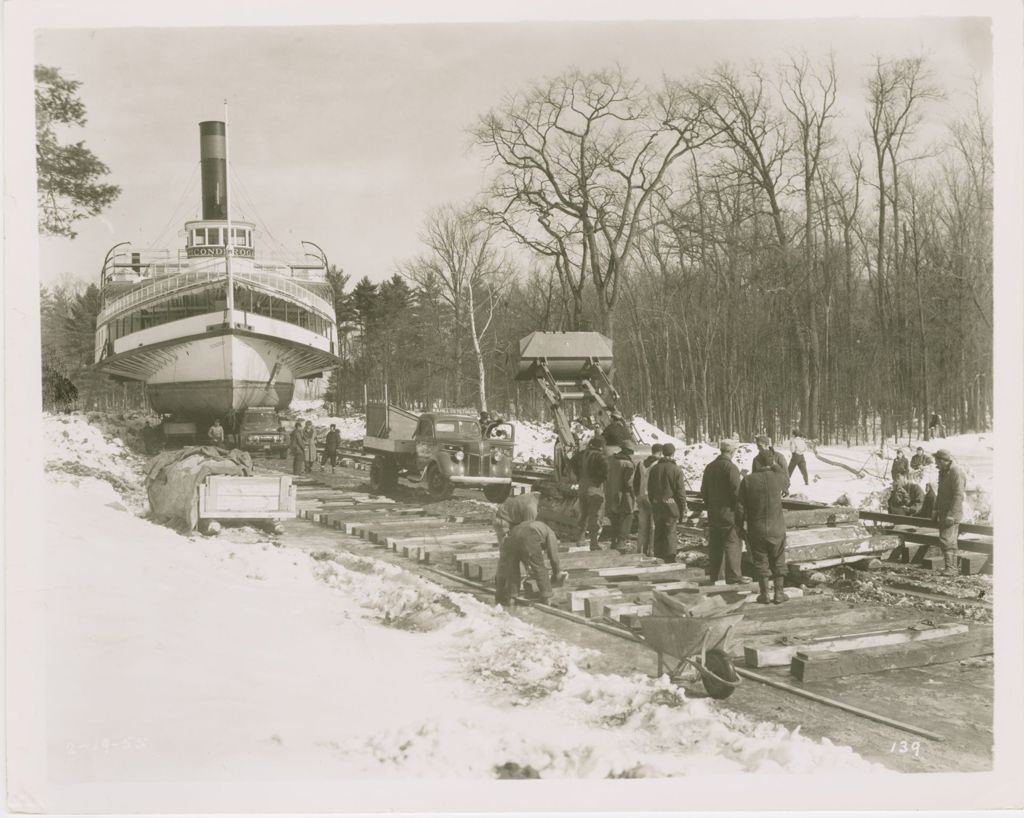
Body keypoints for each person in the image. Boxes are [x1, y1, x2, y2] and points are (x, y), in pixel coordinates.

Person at [738, 461, 788, 604]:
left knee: (761, 561)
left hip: (757, 529)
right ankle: (779, 594)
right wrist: (775, 465)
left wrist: (740, 525)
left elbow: (740, 507)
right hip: (777, 528)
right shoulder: (778, 477)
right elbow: (786, 478)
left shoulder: (747, 480)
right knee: (778, 560)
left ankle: (764, 594)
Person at [700, 439, 743, 584]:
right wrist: (739, 512)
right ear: (732, 451)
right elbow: (737, 493)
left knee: (716, 544)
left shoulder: (710, 467)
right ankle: (734, 576)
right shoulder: (731, 468)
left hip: (714, 512)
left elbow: (704, 491)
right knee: (732, 543)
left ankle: (716, 577)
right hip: (728, 513)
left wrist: (711, 505)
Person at [494, 518, 562, 607]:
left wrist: (528, 565)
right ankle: (547, 597)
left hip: (511, 538)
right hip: (528, 537)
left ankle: (511, 597)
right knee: (539, 568)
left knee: (513, 570)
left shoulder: (534, 524)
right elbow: (553, 555)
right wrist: (557, 571)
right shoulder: (550, 532)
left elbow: (523, 552)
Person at [647, 442, 687, 564]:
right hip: (671, 505)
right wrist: (682, 509)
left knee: (659, 530)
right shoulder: (676, 470)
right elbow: (680, 493)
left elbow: (650, 489)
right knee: (670, 532)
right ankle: (670, 558)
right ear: (673, 453)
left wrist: (653, 501)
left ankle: (658, 557)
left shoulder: (654, 469)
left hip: (657, 505)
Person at [933, 449, 966, 575]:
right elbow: (940, 494)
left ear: (943, 461)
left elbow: (958, 495)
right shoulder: (943, 472)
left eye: (937, 460)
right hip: (944, 512)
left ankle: (951, 568)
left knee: (948, 540)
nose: (936, 463)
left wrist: (952, 515)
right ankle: (950, 567)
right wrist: (935, 510)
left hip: (951, 513)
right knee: (946, 539)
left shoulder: (955, 472)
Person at [575, 435, 609, 550]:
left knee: (583, 513)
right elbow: (606, 471)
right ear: (601, 445)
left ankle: (580, 538)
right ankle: (593, 542)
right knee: (595, 515)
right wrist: (599, 480)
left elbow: (572, 464)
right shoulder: (600, 456)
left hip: (582, 486)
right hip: (594, 487)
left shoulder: (581, 454)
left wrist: (579, 477)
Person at [604, 440, 638, 551]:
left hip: (612, 493)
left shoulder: (611, 460)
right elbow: (629, 483)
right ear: (629, 451)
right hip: (624, 495)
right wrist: (634, 495)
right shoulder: (627, 464)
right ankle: (621, 542)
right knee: (627, 517)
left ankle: (614, 542)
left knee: (614, 517)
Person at [632, 443, 663, 556]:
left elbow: (635, 482)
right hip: (652, 498)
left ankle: (640, 550)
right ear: (660, 452)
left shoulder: (641, 463)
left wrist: (637, 495)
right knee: (653, 525)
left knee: (642, 526)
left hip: (641, 497)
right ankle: (652, 551)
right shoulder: (658, 464)